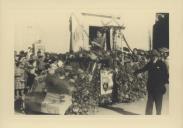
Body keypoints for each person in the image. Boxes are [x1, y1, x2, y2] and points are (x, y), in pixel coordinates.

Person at [134, 49, 169, 115]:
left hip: (159, 88)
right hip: (151, 87)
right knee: (149, 105)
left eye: (152, 56)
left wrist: (163, 84)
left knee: (158, 106)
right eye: (151, 56)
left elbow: (166, 75)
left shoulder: (162, 64)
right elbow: (143, 69)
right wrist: (136, 72)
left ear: (156, 56)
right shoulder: (150, 63)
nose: (151, 58)